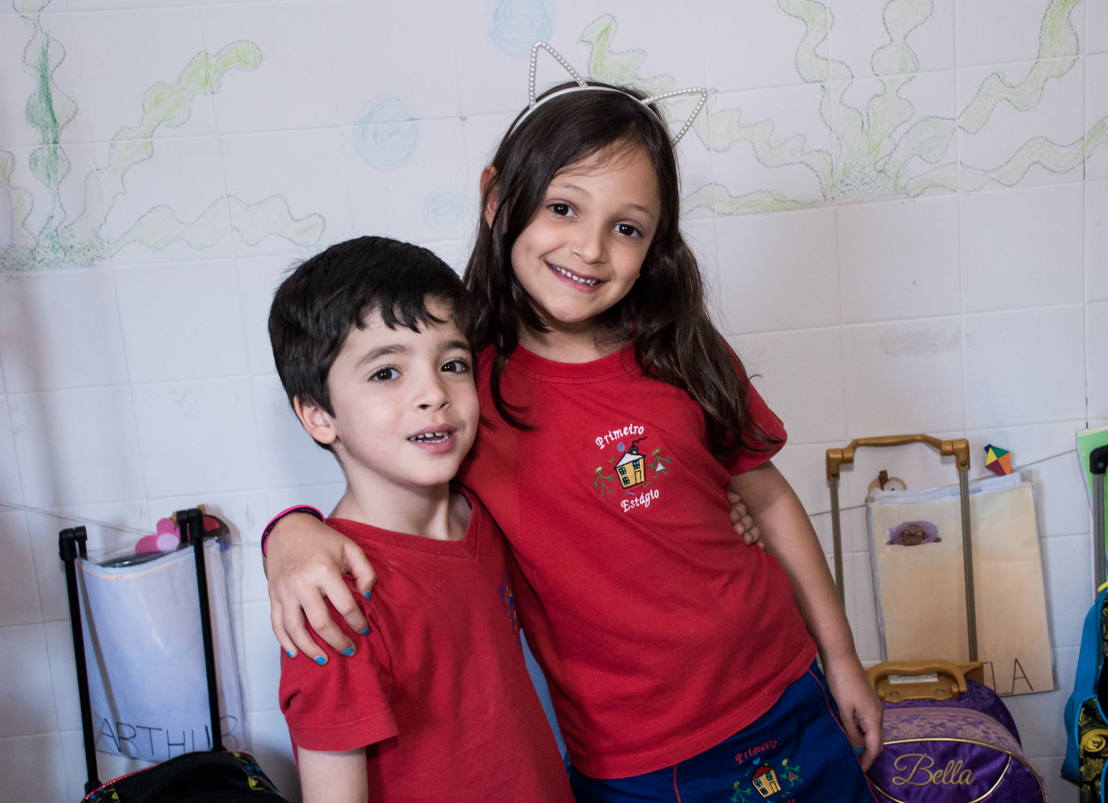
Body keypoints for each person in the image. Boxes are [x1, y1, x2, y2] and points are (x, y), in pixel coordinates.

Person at [265, 57, 883, 801]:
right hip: (641, 761)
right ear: (498, 198)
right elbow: (384, 473)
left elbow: (770, 498)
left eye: (625, 227)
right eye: (564, 207)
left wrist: (841, 655)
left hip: (788, 690)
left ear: (654, 244)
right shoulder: (464, 385)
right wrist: (289, 534)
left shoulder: (680, 347)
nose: (589, 248)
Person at [267, 237, 574, 802]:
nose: (434, 392)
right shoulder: (329, 602)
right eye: (386, 373)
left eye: (452, 364)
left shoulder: (485, 509)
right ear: (317, 416)